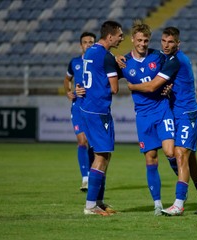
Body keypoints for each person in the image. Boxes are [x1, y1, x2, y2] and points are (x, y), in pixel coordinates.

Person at [127, 27, 197, 216]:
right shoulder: (166, 58)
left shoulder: (176, 61)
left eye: (171, 42)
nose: (166, 45)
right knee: (189, 162)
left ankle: (178, 203)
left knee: (179, 154)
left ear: (178, 44)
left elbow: (152, 86)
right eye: (164, 41)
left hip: (188, 114)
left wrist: (132, 86)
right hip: (177, 113)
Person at [118, 20, 178, 216]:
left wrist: (170, 87)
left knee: (170, 152)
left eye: (146, 40)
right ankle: (158, 204)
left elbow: (174, 73)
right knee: (151, 160)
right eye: (140, 40)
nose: (143, 44)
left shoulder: (159, 57)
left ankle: (183, 181)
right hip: (143, 116)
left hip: (162, 110)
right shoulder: (123, 62)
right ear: (133, 39)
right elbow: (103, 72)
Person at [76, 20, 124, 216]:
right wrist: (121, 70)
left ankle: (98, 200)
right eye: (120, 35)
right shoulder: (106, 57)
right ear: (110, 36)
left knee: (105, 155)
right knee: (101, 156)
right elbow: (114, 88)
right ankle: (90, 205)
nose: (122, 38)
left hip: (87, 108)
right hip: (98, 110)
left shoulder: (92, 51)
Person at [63, 31, 96, 192]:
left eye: (91, 42)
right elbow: (67, 79)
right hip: (77, 106)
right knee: (82, 141)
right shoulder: (74, 62)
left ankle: (92, 174)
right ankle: (85, 178)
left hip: (93, 107)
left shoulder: (98, 62)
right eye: (85, 42)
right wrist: (68, 92)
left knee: (92, 144)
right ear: (81, 45)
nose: (88, 44)